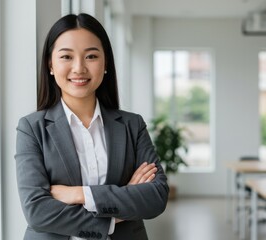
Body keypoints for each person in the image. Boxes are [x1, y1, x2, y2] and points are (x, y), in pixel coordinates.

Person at [15, 13, 168, 240]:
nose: (79, 68)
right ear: (50, 64)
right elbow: (37, 212)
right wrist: (116, 214)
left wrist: (79, 194)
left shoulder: (132, 125)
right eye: (66, 56)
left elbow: (156, 196)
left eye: (91, 56)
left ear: (105, 63)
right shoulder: (32, 128)